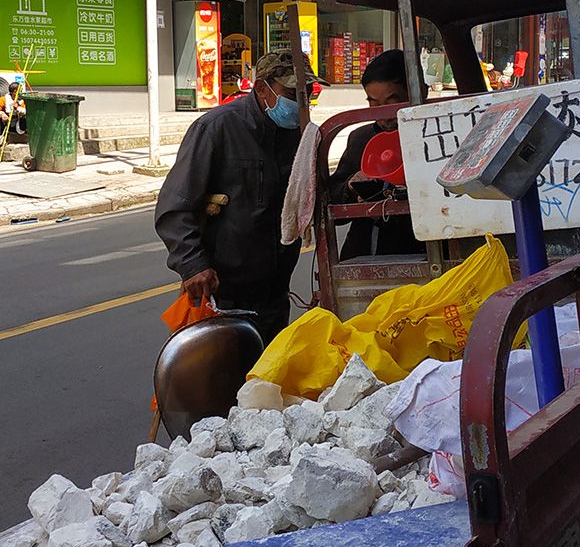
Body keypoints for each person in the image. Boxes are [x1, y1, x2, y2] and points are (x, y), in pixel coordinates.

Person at [155, 49, 306, 345]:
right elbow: (174, 207)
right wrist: (193, 264)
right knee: (221, 378)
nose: (300, 102)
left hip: (274, 291)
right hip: (223, 293)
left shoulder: (299, 134)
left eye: (306, 92)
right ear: (262, 88)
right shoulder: (217, 128)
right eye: (292, 92)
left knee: (267, 381)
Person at [328, 49, 424, 260]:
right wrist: (351, 187)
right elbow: (332, 201)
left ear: (418, 92)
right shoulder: (360, 139)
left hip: (424, 255)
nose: (384, 115)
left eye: (391, 102)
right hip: (365, 256)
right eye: (374, 103)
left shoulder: (436, 136)